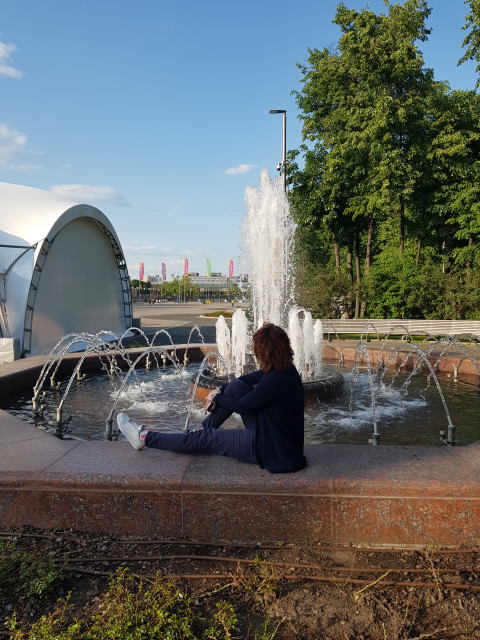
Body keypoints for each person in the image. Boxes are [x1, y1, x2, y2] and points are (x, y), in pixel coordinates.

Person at [117, 323, 307, 474]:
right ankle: (200, 431)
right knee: (236, 386)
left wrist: (216, 396)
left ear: (263, 352)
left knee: (208, 439)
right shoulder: (286, 370)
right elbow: (243, 381)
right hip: (280, 441)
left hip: (271, 450)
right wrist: (221, 388)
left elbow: (241, 406)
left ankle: (144, 437)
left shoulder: (274, 381)